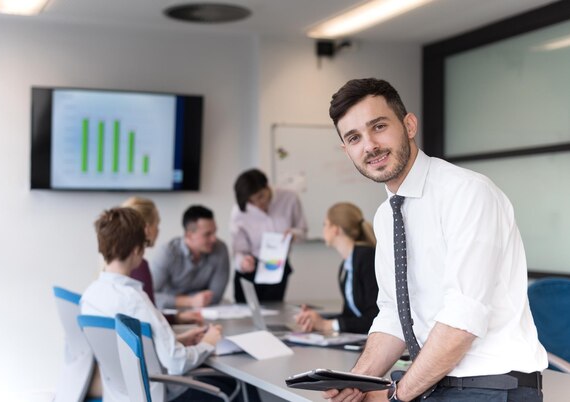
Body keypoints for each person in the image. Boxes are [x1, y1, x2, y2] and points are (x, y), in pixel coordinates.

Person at [322, 78, 547, 402]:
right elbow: (392, 317)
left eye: (379, 126)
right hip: (435, 384)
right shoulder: (387, 216)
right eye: (355, 137)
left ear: (409, 125)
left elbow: (462, 320)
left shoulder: (467, 193)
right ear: (347, 151)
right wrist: (357, 382)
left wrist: (397, 396)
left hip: (491, 386)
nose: (369, 145)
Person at [80, 207, 228, 402]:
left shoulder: (90, 296)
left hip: (120, 396)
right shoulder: (135, 300)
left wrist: (179, 339)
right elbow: (176, 362)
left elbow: (133, 349)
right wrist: (208, 343)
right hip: (162, 394)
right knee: (235, 387)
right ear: (137, 250)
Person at [295, 202, 379, 334]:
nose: (323, 229)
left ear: (335, 229)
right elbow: (351, 316)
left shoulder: (366, 258)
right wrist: (317, 319)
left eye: (325, 224)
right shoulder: (346, 266)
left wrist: (327, 325)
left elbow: (375, 318)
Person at [230, 168, 308, 302]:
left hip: (277, 267)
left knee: (274, 313)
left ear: (267, 186)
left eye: (261, 196)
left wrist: (293, 235)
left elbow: (303, 231)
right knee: (244, 316)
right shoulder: (239, 211)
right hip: (251, 269)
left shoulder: (289, 198)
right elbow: (238, 251)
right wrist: (243, 262)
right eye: (251, 201)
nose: (258, 204)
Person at [122, 196, 202, 325]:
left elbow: (149, 314)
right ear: (147, 229)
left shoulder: (114, 264)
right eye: (157, 224)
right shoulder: (139, 266)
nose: (158, 230)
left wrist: (176, 318)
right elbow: (151, 322)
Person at [151, 205, 229, 309]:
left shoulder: (220, 249)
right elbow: (148, 295)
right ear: (189, 235)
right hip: (171, 315)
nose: (214, 239)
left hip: (206, 314)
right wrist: (190, 301)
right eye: (207, 234)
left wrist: (172, 298)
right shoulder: (167, 253)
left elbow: (215, 296)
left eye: (214, 232)